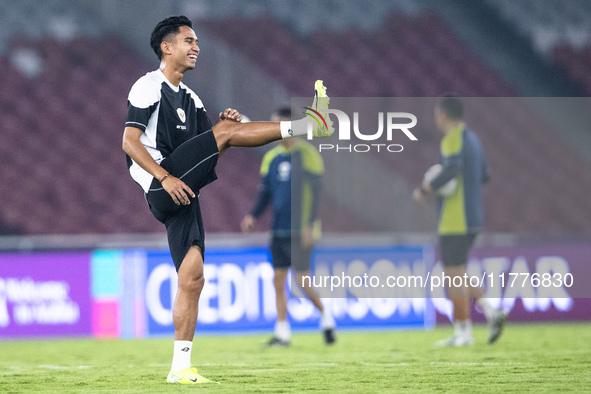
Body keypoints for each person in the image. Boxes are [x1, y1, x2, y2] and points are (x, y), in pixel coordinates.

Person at [122, 16, 332, 384]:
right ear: (166, 47)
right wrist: (166, 175)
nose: (196, 47)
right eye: (188, 40)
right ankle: (308, 125)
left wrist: (227, 128)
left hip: (182, 190)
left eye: (197, 41)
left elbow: (213, 151)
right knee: (227, 131)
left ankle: (180, 368)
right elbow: (129, 142)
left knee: (193, 277)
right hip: (162, 183)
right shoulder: (147, 86)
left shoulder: (191, 98)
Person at [412, 96, 506, 347]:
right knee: (458, 273)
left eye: (436, 115)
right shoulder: (473, 139)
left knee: (452, 275)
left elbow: (452, 168)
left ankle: (463, 332)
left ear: (443, 115)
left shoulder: (452, 139)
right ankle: (490, 311)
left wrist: (426, 188)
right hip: (473, 216)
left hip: (456, 218)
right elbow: (485, 174)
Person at [241, 107, 336, 347]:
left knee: (303, 280)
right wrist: (253, 215)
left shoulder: (308, 155)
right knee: (278, 280)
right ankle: (283, 332)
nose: (275, 130)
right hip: (279, 230)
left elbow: (316, 194)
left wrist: (310, 225)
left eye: (279, 124)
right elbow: (265, 194)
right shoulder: (271, 158)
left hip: (300, 229)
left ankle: (326, 317)